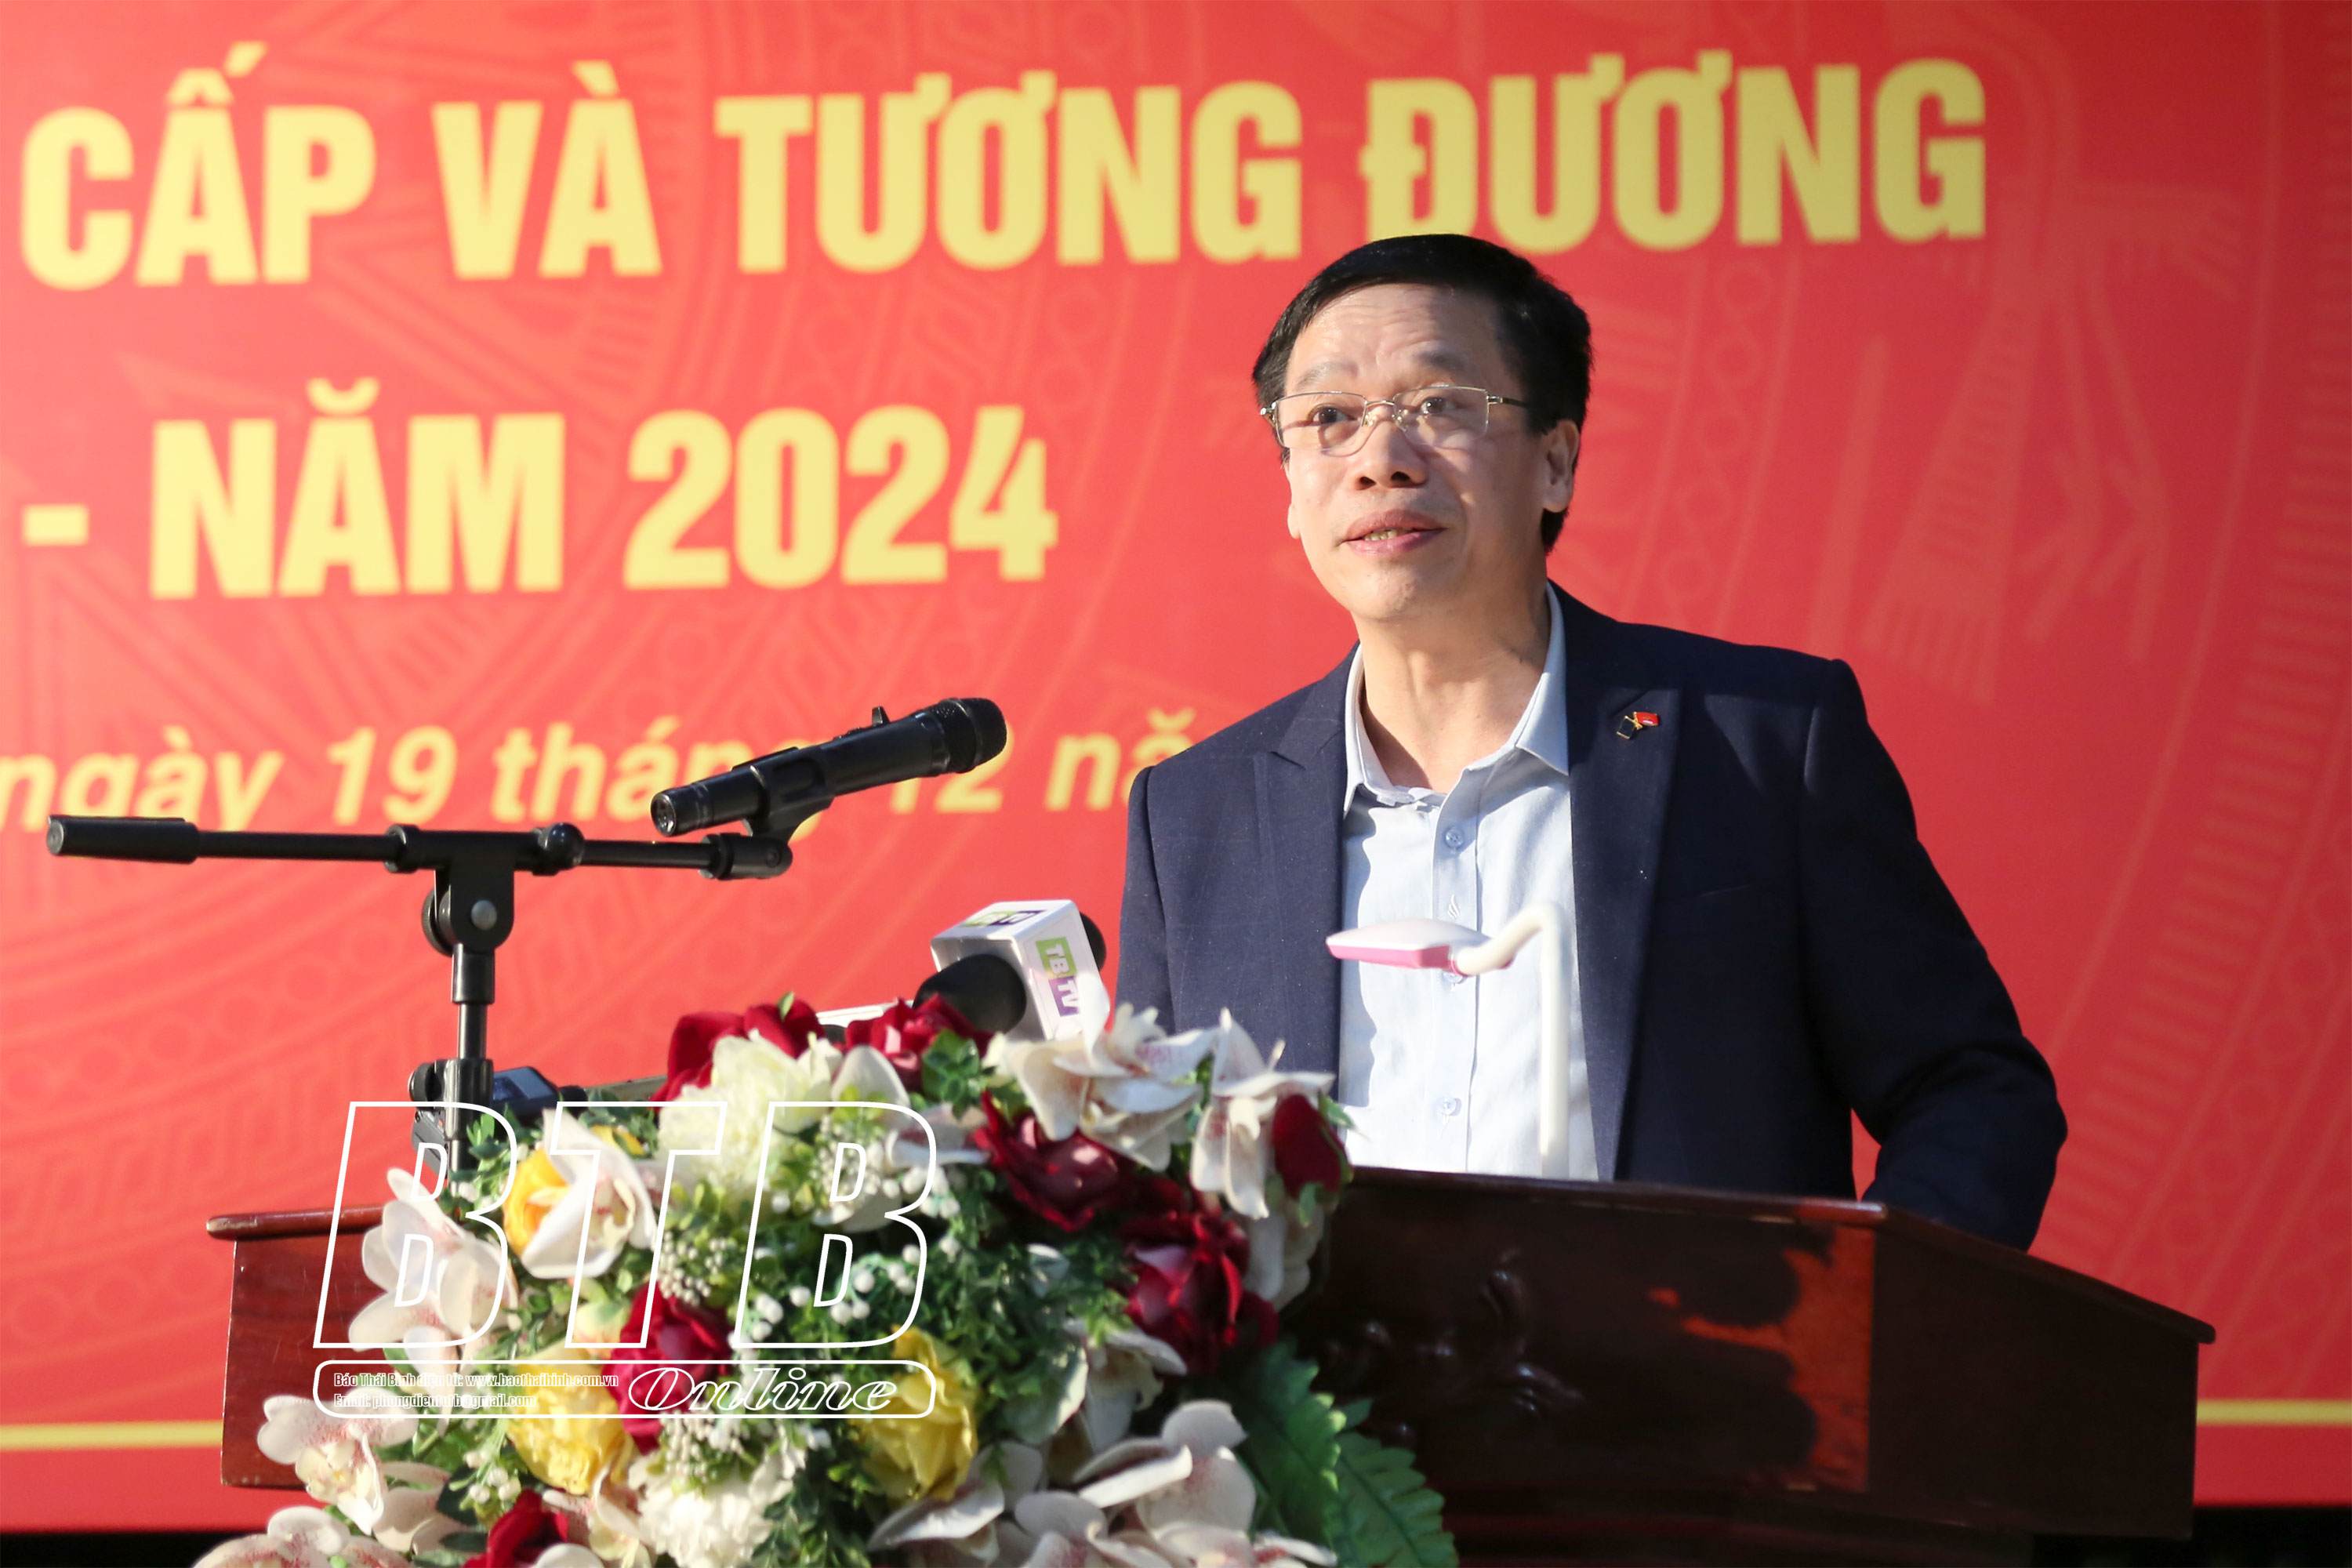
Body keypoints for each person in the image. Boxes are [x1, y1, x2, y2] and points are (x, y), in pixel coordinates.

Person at [1116, 234, 2065, 1249]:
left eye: (1440, 406)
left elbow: (1971, 1090)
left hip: (1685, 1353)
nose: (1381, 461)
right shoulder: (1195, 817)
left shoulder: (1758, 746)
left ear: (1556, 461)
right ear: (1291, 486)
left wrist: (1852, 1312)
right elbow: (1147, 1178)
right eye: (1329, 420)